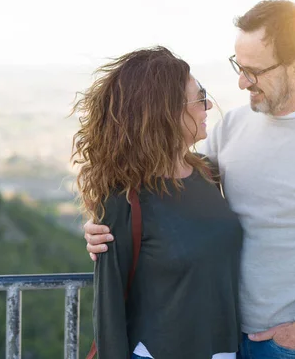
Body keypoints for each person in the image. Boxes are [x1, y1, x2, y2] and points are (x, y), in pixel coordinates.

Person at [83, 0, 295, 359]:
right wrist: (107, 232)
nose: (242, 82)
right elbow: (170, 188)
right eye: (238, 67)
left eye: (254, 71)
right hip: (223, 338)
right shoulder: (232, 126)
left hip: (291, 344)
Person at [71, 46, 243, 359]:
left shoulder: (209, 173)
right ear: (167, 112)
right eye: (199, 96)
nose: (209, 105)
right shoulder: (125, 198)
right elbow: (108, 312)